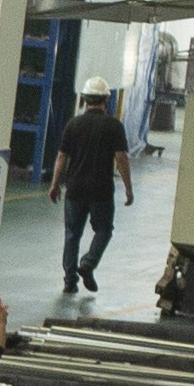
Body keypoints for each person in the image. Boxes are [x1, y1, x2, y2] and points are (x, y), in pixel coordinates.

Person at [48, 87, 132, 297]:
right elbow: (121, 158)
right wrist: (128, 188)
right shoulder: (114, 126)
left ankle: (69, 282)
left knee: (72, 235)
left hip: (75, 189)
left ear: (85, 99)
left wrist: (55, 184)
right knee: (103, 230)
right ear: (106, 100)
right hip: (101, 190)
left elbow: (62, 157)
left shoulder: (73, 124)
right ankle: (88, 263)